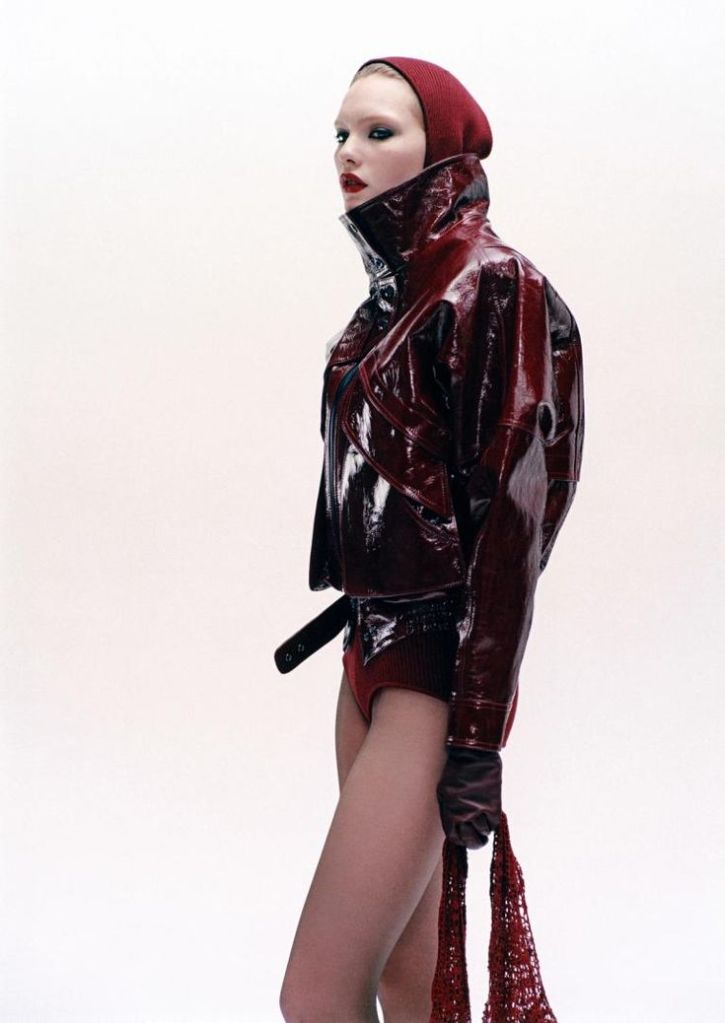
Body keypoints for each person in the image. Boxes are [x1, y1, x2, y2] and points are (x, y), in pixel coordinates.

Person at [275, 55, 584, 1023]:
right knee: (409, 985)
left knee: (314, 994)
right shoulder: (386, 301)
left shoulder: (492, 285)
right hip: (364, 654)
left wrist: (478, 732)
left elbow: (510, 522)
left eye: (378, 132)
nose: (348, 152)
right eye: (340, 133)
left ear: (442, 149)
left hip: (431, 669)